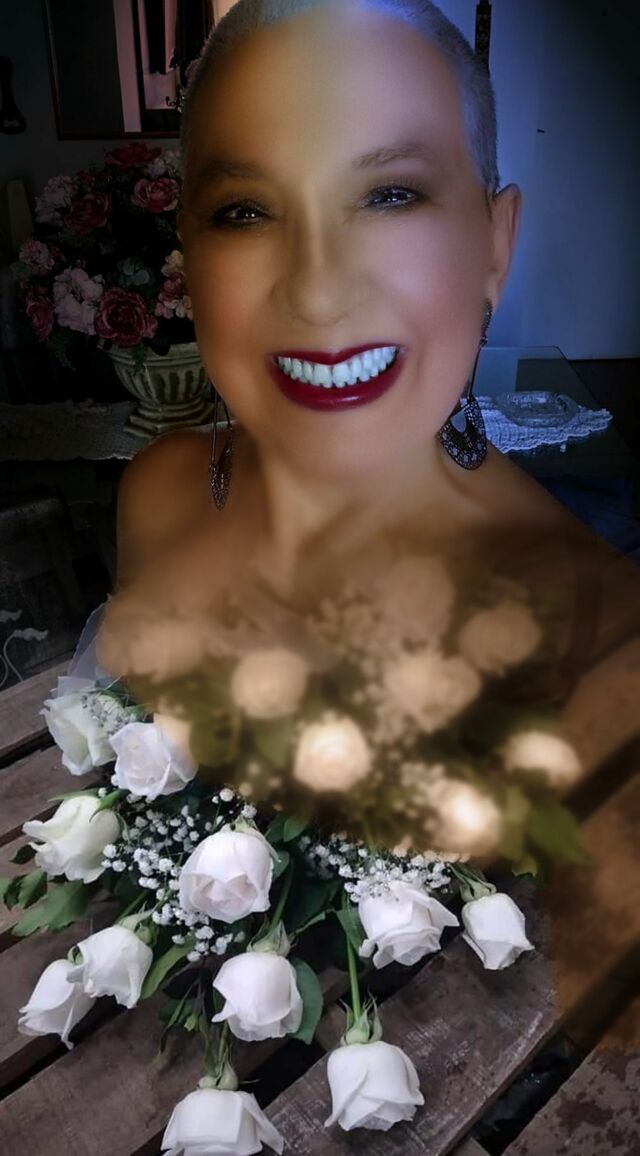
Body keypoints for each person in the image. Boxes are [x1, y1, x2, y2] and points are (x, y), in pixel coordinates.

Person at [93, 0, 640, 820]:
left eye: (388, 195)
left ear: (494, 246)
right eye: (245, 211)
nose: (317, 293)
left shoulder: (595, 637)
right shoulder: (160, 491)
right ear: (191, 256)